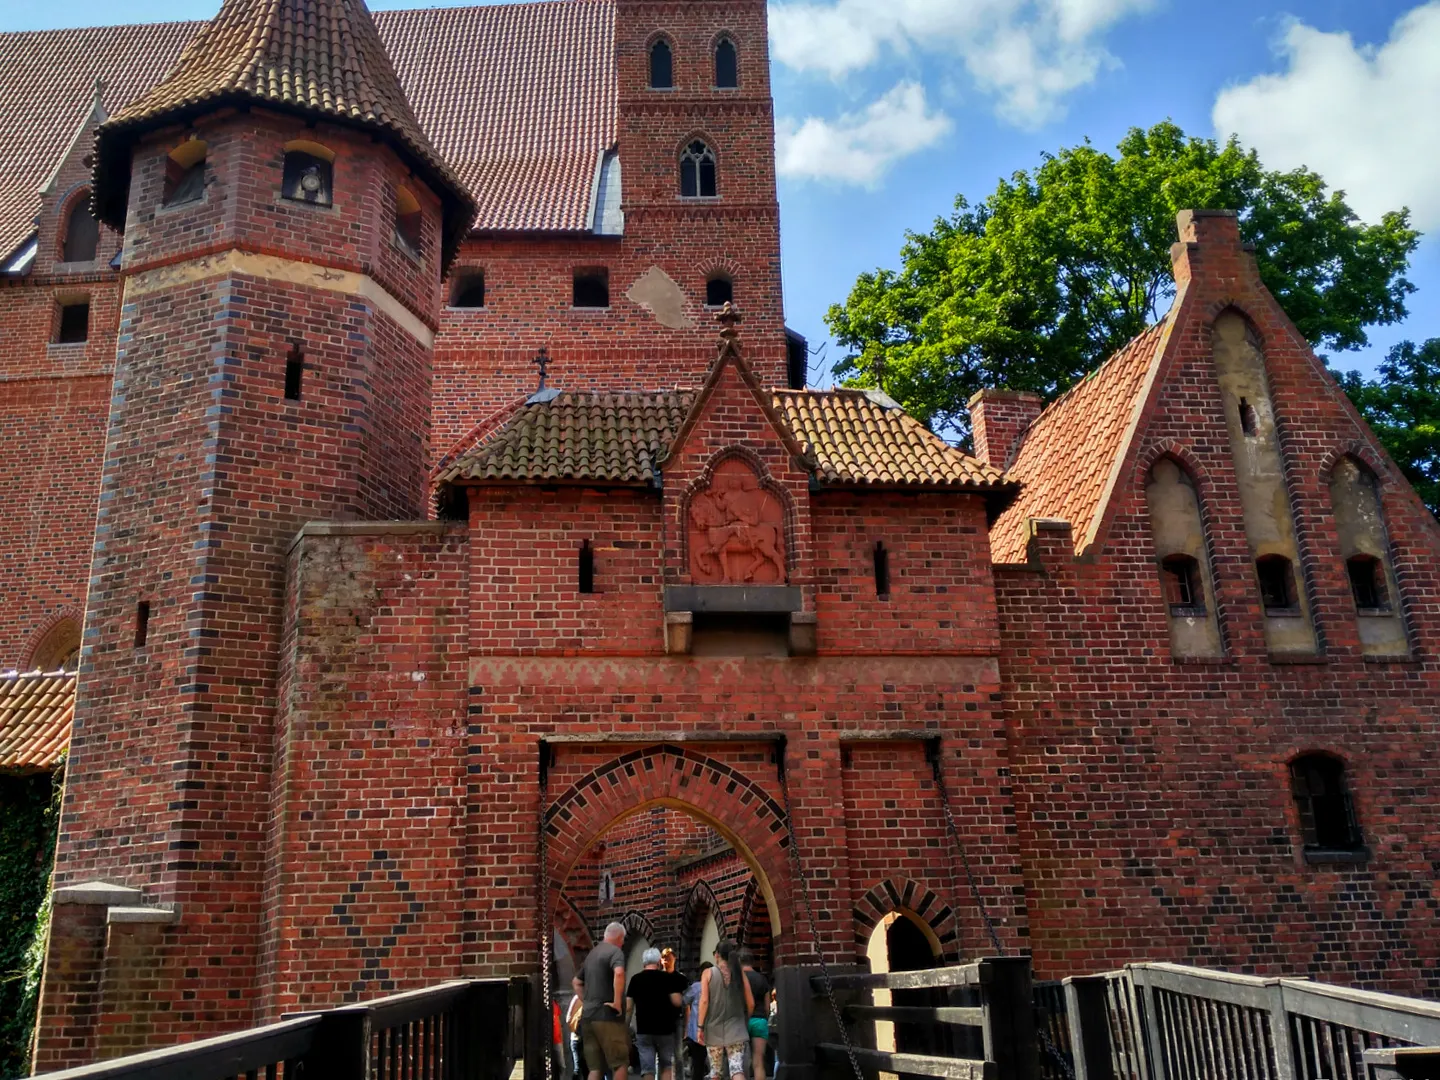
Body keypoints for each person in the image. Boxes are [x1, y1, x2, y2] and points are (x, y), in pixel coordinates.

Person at [575, 921, 630, 1080]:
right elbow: (619, 973)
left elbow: (576, 982)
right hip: (608, 1017)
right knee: (619, 1063)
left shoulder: (592, 954)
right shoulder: (615, 952)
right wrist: (617, 1003)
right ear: (620, 937)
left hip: (588, 1017)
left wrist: (587, 1002)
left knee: (595, 1068)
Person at [627, 947, 688, 1080]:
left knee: (647, 1068)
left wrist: (626, 1026)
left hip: (644, 1029)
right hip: (665, 1029)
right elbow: (677, 1001)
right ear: (658, 962)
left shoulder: (635, 980)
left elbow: (628, 1007)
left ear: (644, 963)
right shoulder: (667, 978)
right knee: (666, 1065)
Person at [697, 940, 753, 1080]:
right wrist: (745, 1019)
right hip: (736, 1029)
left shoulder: (707, 973)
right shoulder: (740, 973)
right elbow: (750, 1003)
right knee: (737, 1069)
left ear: (717, 955)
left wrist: (700, 1027)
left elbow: (704, 1001)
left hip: (713, 1029)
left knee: (715, 1072)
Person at [738, 950, 771, 1080]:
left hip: (741, 1021)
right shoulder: (762, 978)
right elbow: (767, 1005)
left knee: (740, 1063)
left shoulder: (738, 979)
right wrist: (764, 1017)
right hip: (760, 1020)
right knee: (758, 1062)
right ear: (752, 962)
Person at [683, 961, 711, 1080]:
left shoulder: (695, 987)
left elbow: (684, 1001)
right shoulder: (716, 986)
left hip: (696, 1032)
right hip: (713, 1031)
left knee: (697, 1064)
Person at [566, 992, 585, 1080]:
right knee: (586, 1069)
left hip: (576, 1037)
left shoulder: (576, 998)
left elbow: (568, 1019)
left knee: (578, 1068)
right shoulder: (581, 998)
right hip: (585, 1038)